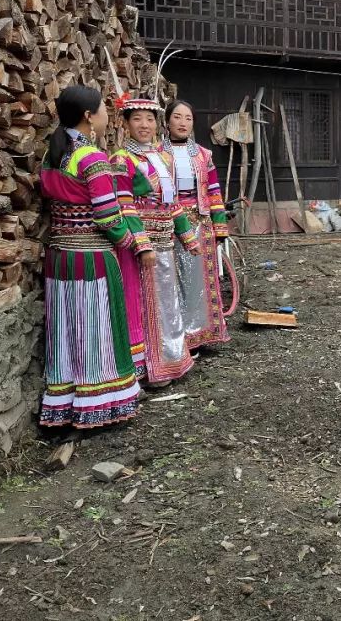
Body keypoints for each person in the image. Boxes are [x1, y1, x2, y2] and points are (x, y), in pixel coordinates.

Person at [38, 86, 151, 429]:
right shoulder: (93, 159)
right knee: (97, 329)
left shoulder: (53, 155)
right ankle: (102, 403)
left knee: (66, 330)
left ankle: (65, 405)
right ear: (89, 117)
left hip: (59, 259)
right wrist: (133, 243)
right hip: (93, 259)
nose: (105, 116)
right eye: (103, 109)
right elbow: (107, 216)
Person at [112, 98, 201, 387]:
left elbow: (172, 201)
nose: (144, 125)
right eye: (137, 119)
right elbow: (124, 206)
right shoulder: (121, 160)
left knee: (167, 303)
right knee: (144, 305)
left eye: (149, 120)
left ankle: (172, 361)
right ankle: (149, 370)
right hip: (142, 247)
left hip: (165, 242)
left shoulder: (163, 158)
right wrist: (141, 244)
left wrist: (187, 236)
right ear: (125, 124)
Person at [164, 100, 231, 351]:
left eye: (188, 118)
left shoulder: (204, 155)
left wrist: (220, 227)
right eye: (178, 117)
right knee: (171, 281)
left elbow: (214, 191)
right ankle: (176, 338)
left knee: (199, 282)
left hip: (200, 225)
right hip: (168, 226)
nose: (183, 123)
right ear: (167, 121)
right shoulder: (157, 154)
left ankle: (202, 334)